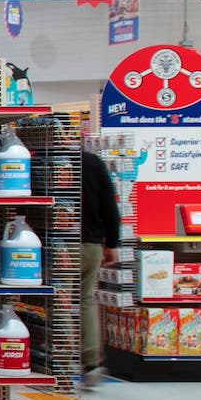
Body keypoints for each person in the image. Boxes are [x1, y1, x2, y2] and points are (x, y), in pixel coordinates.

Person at [79, 146, 122, 387]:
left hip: (57, 245)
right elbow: (110, 206)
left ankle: (60, 359)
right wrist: (111, 243)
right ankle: (91, 361)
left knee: (59, 302)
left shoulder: (48, 163)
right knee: (85, 302)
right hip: (91, 244)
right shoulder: (93, 162)